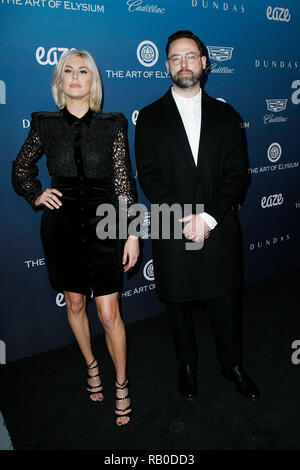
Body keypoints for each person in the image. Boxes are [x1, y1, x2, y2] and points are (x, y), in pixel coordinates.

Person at [12, 49, 139, 426]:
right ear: (60, 81)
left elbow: (123, 182)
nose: (75, 76)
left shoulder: (112, 125)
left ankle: (120, 382)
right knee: (76, 305)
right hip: (62, 227)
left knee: (109, 312)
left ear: (93, 81)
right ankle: (90, 365)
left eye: (83, 70)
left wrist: (132, 233)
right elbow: (21, 167)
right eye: (68, 70)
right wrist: (35, 192)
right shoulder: (45, 125)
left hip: (105, 224)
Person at [135, 30, 260, 401]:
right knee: (178, 303)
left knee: (225, 300)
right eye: (175, 58)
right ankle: (186, 365)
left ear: (204, 63)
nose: (183, 63)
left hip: (218, 227)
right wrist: (185, 217)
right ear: (167, 67)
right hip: (173, 228)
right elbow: (150, 177)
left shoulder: (227, 114)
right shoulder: (150, 118)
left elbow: (238, 172)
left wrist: (207, 218)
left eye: (190, 56)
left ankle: (232, 364)